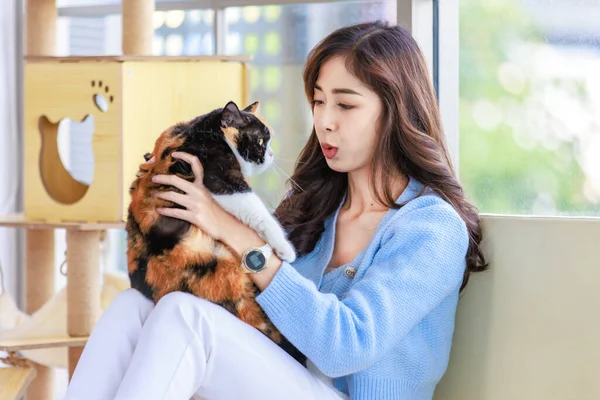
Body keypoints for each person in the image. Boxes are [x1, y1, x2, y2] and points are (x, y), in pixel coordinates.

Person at [64, 20, 487, 400]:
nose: (325, 121)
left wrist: (238, 233)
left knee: (184, 316)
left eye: (346, 104)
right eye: (318, 102)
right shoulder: (316, 210)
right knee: (134, 307)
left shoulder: (432, 227)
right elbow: (250, 315)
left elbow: (345, 347)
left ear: (395, 112)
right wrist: (192, 207)